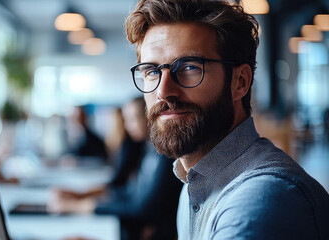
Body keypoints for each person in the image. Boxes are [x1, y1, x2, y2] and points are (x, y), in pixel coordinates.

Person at [125, 0, 329, 239]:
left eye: (190, 67)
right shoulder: (194, 185)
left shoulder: (260, 199)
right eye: (152, 71)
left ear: (240, 82)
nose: (163, 91)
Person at [49, 97, 182, 240]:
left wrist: (80, 206)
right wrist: (82, 198)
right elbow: (128, 191)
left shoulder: (164, 155)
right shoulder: (147, 148)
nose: (127, 127)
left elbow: (141, 208)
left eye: (132, 119)